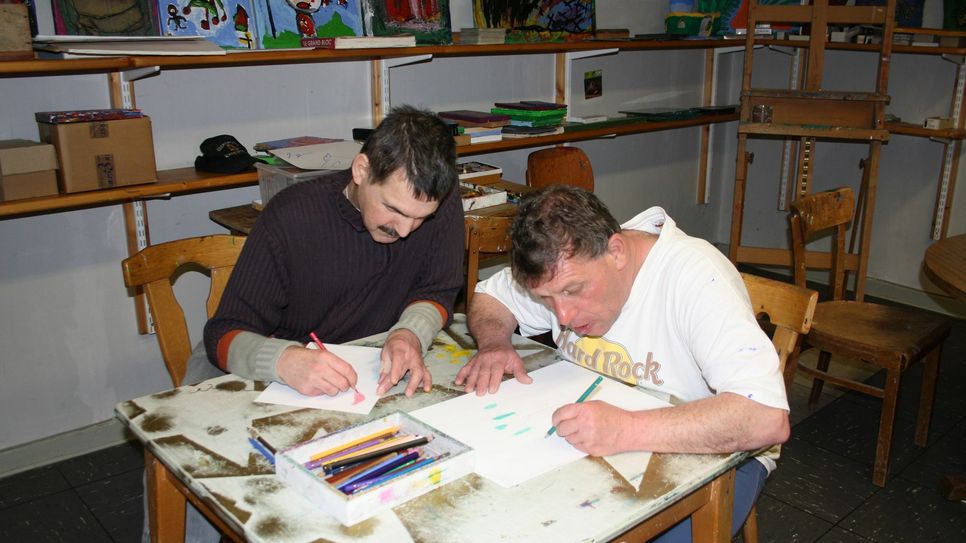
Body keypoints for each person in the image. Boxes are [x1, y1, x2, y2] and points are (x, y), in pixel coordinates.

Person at [455, 185, 789, 541]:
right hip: (594, 448)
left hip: (718, 459)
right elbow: (490, 296)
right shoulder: (561, 269)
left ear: (616, 251)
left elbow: (766, 418)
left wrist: (625, 430)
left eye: (572, 291)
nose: (563, 316)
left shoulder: (694, 277)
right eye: (546, 300)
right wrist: (494, 343)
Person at [201, 105, 465, 397]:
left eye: (421, 218)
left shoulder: (435, 196)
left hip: (369, 376)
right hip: (287, 381)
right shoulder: (292, 216)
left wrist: (410, 333)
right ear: (361, 170)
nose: (404, 231)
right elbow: (222, 335)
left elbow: (438, 289)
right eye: (394, 209)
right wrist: (284, 360)